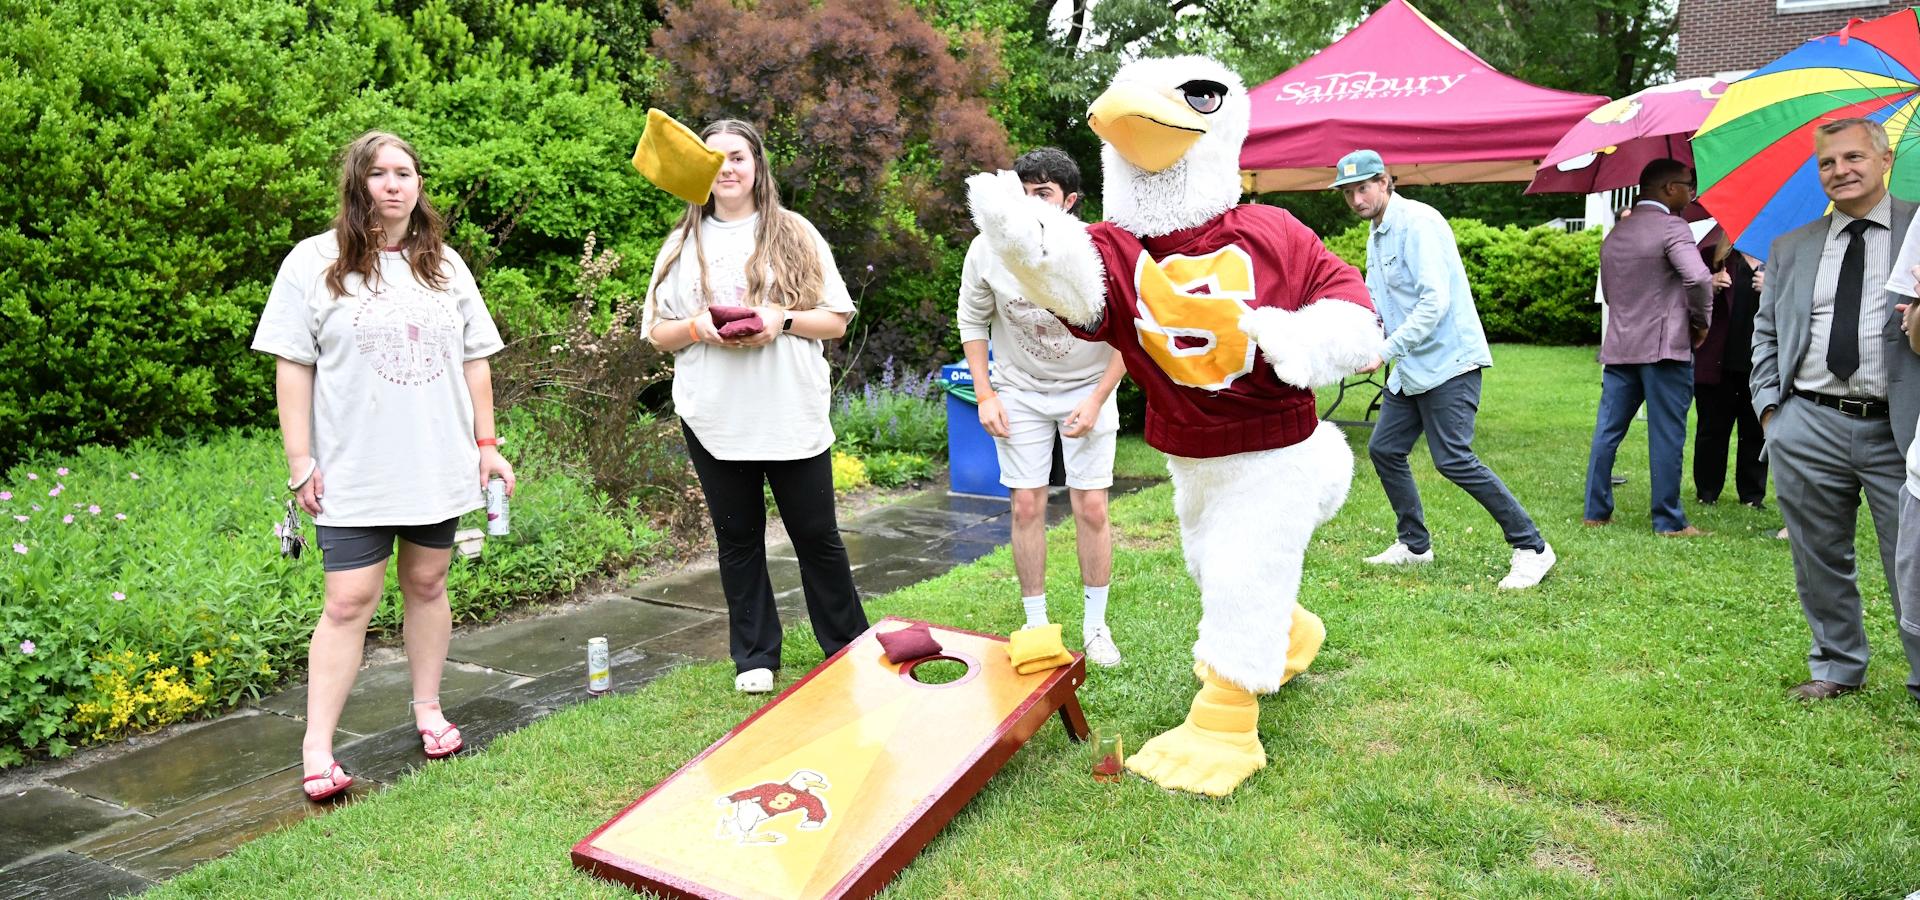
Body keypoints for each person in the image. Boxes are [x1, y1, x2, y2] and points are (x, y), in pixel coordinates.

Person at [252, 131, 513, 800]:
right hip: (352, 471)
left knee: (427, 585)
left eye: (405, 172)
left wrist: (486, 447)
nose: (393, 184)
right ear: (357, 184)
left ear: (419, 185)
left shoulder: (445, 266)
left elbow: (475, 361)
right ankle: (317, 748)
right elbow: (292, 367)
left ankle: (428, 707)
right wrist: (299, 461)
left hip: (435, 463)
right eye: (379, 173)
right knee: (347, 603)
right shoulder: (314, 262)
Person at [639, 119, 868, 695]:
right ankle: (756, 657)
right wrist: (698, 327)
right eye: (715, 160)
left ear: (758, 165)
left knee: (816, 534)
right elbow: (658, 333)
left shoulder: (795, 233)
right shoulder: (680, 246)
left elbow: (835, 321)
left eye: (738, 157)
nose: (728, 169)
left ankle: (848, 645)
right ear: (701, 171)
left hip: (789, 411)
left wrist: (780, 320)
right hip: (714, 416)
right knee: (737, 538)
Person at [1752, 117, 1920, 703]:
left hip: (1902, 429)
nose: (1840, 171)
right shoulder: (1791, 247)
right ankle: (1838, 665)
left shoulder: (1919, 232)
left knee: (1915, 559)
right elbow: (1766, 333)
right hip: (1809, 424)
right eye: (1827, 163)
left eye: (1853, 158)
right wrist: (1774, 414)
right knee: (1819, 556)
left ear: (1884, 159)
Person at [1332, 149, 1555, 589]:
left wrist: (1387, 349)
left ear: (1384, 181)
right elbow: (1385, 303)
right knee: (1385, 449)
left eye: (1363, 188)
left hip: (1450, 362)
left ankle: (1532, 547)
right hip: (1411, 368)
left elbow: (1436, 302)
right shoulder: (1376, 235)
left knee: (1453, 458)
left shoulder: (1419, 223)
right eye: (1348, 192)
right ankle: (1415, 546)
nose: (1356, 199)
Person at [956, 147, 1128, 664]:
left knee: (1091, 506)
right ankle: (1036, 625)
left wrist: (1099, 399)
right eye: (1023, 192)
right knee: (1026, 503)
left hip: (1088, 388)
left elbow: (1131, 333)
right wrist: (985, 395)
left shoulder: (1099, 250)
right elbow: (973, 321)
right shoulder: (988, 248)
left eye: (1044, 194)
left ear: (1070, 201)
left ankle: (1096, 627)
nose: (1030, 203)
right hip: (1019, 390)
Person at [1584, 158, 1712, 536]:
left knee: (1607, 430)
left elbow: (1610, 293)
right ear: (1668, 188)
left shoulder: (1616, 235)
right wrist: (1700, 322)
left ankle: (1596, 510)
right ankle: (1668, 520)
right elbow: (1699, 278)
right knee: (1666, 433)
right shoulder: (1674, 228)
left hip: (1621, 345)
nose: (1692, 193)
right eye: (1688, 185)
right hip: (1665, 349)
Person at [1692, 234, 1767, 507]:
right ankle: (1707, 491)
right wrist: (1708, 285)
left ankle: (1752, 495)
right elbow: (1686, 293)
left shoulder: (1778, 259)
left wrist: (1774, 287)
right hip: (1716, 360)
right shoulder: (1712, 256)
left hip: (1758, 360)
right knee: (1712, 428)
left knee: (1755, 430)